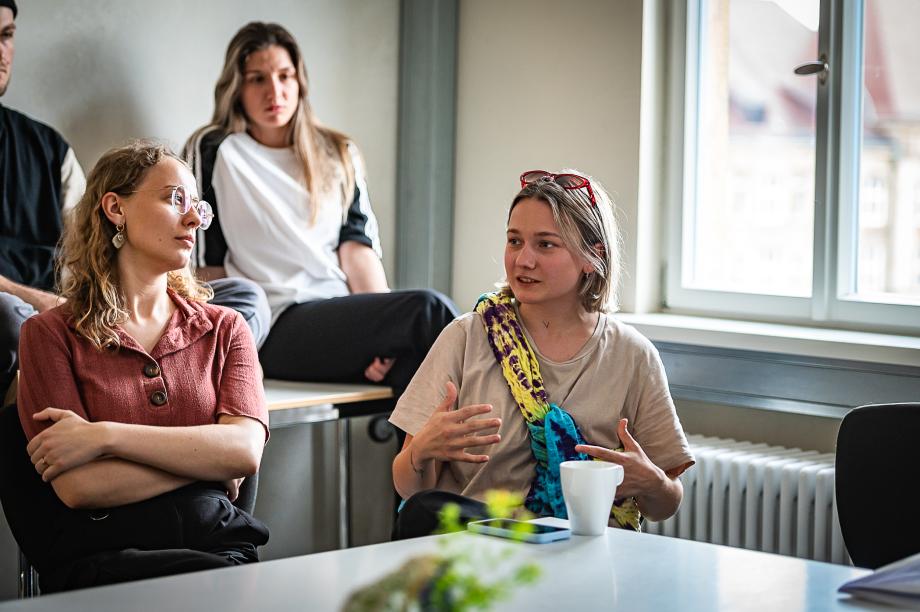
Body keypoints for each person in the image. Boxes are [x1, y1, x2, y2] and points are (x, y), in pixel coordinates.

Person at [16, 141, 269, 591]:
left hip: (218, 551)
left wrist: (103, 437)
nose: (193, 219)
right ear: (116, 208)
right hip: (106, 564)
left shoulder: (225, 328)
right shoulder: (48, 334)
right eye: (175, 199)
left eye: (197, 207)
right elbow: (81, 487)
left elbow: (244, 453)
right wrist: (206, 462)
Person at [389, 170, 695, 538]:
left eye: (545, 244)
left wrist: (652, 482)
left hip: (584, 552)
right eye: (514, 241)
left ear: (592, 256)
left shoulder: (633, 355)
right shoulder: (465, 337)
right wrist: (420, 452)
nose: (523, 260)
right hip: (482, 551)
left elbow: (665, 505)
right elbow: (409, 488)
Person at [0, 0, 270, 400]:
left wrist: (107, 307)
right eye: (173, 199)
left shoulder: (47, 148)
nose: (1, 51)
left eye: (6, 36)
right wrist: (55, 309)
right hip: (36, 318)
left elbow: (88, 245)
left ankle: (157, 367)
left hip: (86, 312)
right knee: (8, 315)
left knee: (246, 298)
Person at [185, 22, 457, 396]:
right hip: (274, 324)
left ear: (300, 82)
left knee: (419, 358)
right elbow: (206, 266)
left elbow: (356, 250)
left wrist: (385, 337)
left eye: (285, 76)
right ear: (237, 88)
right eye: (257, 79)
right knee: (429, 311)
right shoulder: (215, 149)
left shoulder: (336, 152)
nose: (275, 91)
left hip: (340, 314)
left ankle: (426, 442)